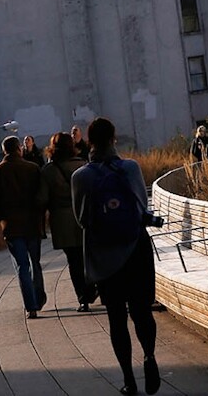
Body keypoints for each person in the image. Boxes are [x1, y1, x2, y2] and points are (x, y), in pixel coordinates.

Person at [71, 117, 160, 396]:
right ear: (114, 138)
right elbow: (141, 207)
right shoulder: (131, 168)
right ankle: (149, 356)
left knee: (116, 318)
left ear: (89, 141)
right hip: (136, 249)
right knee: (142, 311)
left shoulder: (80, 177)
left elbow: (81, 220)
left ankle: (128, 380)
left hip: (105, 256)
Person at [0, 135, 46, 319]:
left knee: (22, 266)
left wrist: (2, 218)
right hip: (32, 224)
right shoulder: (33, 168)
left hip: (11, 227)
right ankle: (39, 298)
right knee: (35, 262)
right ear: (19, 149)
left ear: (4, 150)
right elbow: (42, 196)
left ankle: (30, 306)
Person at [37, 132, 97, 312]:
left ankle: (83, 299)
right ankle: (94, 287)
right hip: (85, 216)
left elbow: (42, 198)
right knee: (89, 257)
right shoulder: (83, 165)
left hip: (62, 221)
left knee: (73, 261)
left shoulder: (48, 171)